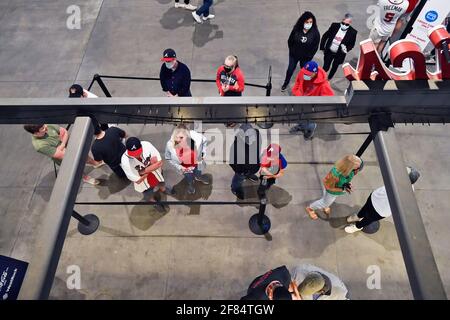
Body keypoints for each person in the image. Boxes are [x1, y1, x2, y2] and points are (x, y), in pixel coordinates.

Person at [345, 166, 420, 233]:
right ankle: (358, 216)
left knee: (368, 219)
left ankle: (357, 227)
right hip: (375, 197)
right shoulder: (397, 179)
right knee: (365, 208)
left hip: (380, 210)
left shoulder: (407, 192)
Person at [24, 124, 103, 185]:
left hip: (69, 146)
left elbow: (64, 132)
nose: (46, 127)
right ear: (36, 133)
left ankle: (95, 163)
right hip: (64, 159)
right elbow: (62, 155)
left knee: (85, 157)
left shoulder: (46, 126)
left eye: (44, 125)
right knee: (75, 168)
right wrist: (62, 139)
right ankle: (85, 177)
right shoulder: (40, 145)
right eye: (43, 128)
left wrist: (62, 145)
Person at [121, 137, 173, 210]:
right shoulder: (125, 160)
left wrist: (142, 172)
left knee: (161, 182)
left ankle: (163, 189)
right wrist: (151, 166)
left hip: (157, 174)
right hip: (144, 183)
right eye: (133, 154)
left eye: (138, 152)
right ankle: (153, 201)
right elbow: (138, 180)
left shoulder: (147, 145)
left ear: (141, 146)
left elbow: (159, 163)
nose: (136, 155)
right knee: (148, 193)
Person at [306, 154, 362, 220]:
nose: (358, 169)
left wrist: (347, 185)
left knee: (326, 199)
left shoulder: (351, 171)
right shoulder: (335, 174)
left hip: (336, 190)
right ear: (349, 166)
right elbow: (328, 187)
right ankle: (310, 208)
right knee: (324, 203)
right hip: (331, 192)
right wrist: (342, 189)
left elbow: (346, 180)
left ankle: (325, 204)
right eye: (357, 167)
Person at [289, 61, 334, 139]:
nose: (305, 75)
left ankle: (309, 132)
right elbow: (298, 82)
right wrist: (297, 94)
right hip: (301, 102)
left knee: (310, 124)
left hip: (312, 108)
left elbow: (329, 99)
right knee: (300, 117)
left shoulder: (323, 84)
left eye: (308, 74)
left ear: (315, 73)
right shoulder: (303, 72)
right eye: (305, 73)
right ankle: (301, 126)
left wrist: (316, 106)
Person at [281, 11, 320, 92]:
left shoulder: (315, 33)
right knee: (290, 70)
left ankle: (303, 85)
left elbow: (315, 47)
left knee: (305, 72)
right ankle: (286, 82)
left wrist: (309, 56)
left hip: (305, 58)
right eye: (307, 22)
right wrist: (292, 51)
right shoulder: (296, 30)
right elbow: (290, 41)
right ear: (303, 22)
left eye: (311, 22)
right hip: (294, 55)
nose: (309, 24)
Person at [165, 124, 209, 195]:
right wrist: (180, 167)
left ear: (187, 135)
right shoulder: (170, 145)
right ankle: (190, 185)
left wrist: (203, 155)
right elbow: (168, 158)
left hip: (197, 164)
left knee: (198, 173)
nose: (179, 140)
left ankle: (198, 177)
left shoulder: (195, 138)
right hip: (185, 168)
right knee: (189, 177)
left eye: (182, 137)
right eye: (177, 137)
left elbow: (204, 141)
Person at [320, 13, 358, 79]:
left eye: (347, 24)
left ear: (350, 23)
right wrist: (322, 47)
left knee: (334, 67)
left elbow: (351, 44)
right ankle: (321, 77)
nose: (344, 25)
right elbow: (325, 36)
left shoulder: (353, 32)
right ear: (342, 20)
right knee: (326, 66)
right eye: (343, 23)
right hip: (329, 51)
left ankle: (329, 79)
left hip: (339, 54)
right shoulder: (334, 26)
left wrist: (346, 49)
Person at [229, 124, 261, 199]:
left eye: (253, 136)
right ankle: (235, 189)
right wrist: (241, 172)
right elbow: (232, 163)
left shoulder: (256, 134)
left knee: (250, 171)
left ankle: (249, 174)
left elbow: (258, 145)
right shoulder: (235, 148)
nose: (253, 139)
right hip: (242, 171)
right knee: (238, 179)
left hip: (253, 166)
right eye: (248, 138)